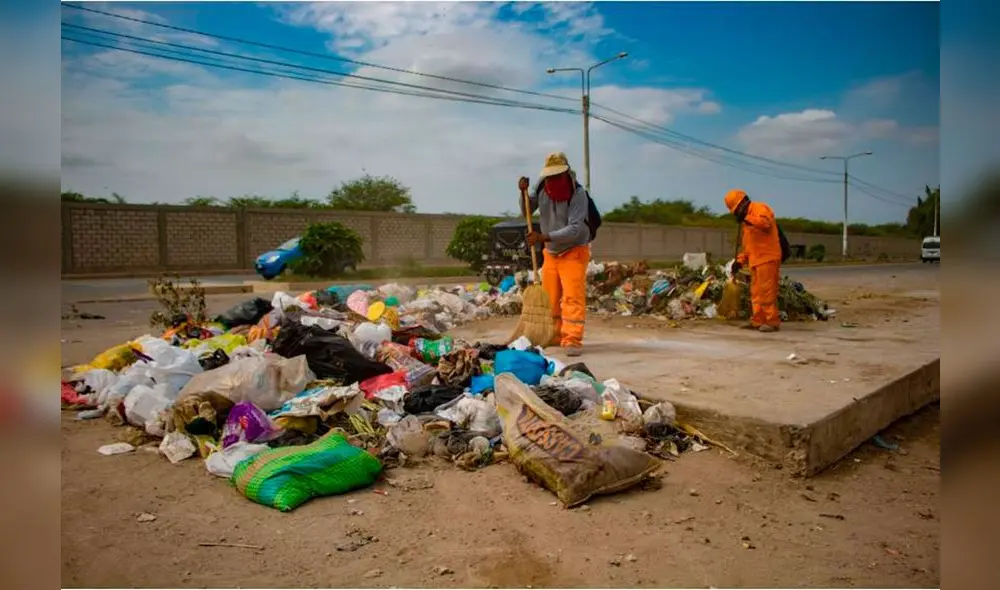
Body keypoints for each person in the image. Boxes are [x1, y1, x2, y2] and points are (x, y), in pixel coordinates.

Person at [518, 152, 591, 356]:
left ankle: (572, 339)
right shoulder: (542, 187)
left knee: (572, 297)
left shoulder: (578, 194)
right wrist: (522, 193)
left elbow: (575, 229)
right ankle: (555, 335)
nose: (553, 180)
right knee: (550, 298)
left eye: (557, 175)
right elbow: (527, 210)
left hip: (574, 250)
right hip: (551, 252)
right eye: (550, 176)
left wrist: (544, 237)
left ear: (566, 173)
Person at [725, 189, 781, 333]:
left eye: (737, 209)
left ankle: (771, 321)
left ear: (744, 202)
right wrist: (739, 261)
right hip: (755, 260)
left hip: (767, 258)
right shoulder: (746, 223)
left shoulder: (759, 208)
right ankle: (758, 320)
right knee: (756, 293)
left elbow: (765, 223)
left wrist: (747, 218)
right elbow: (748, 246)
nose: (737, 213)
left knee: (766, 292)